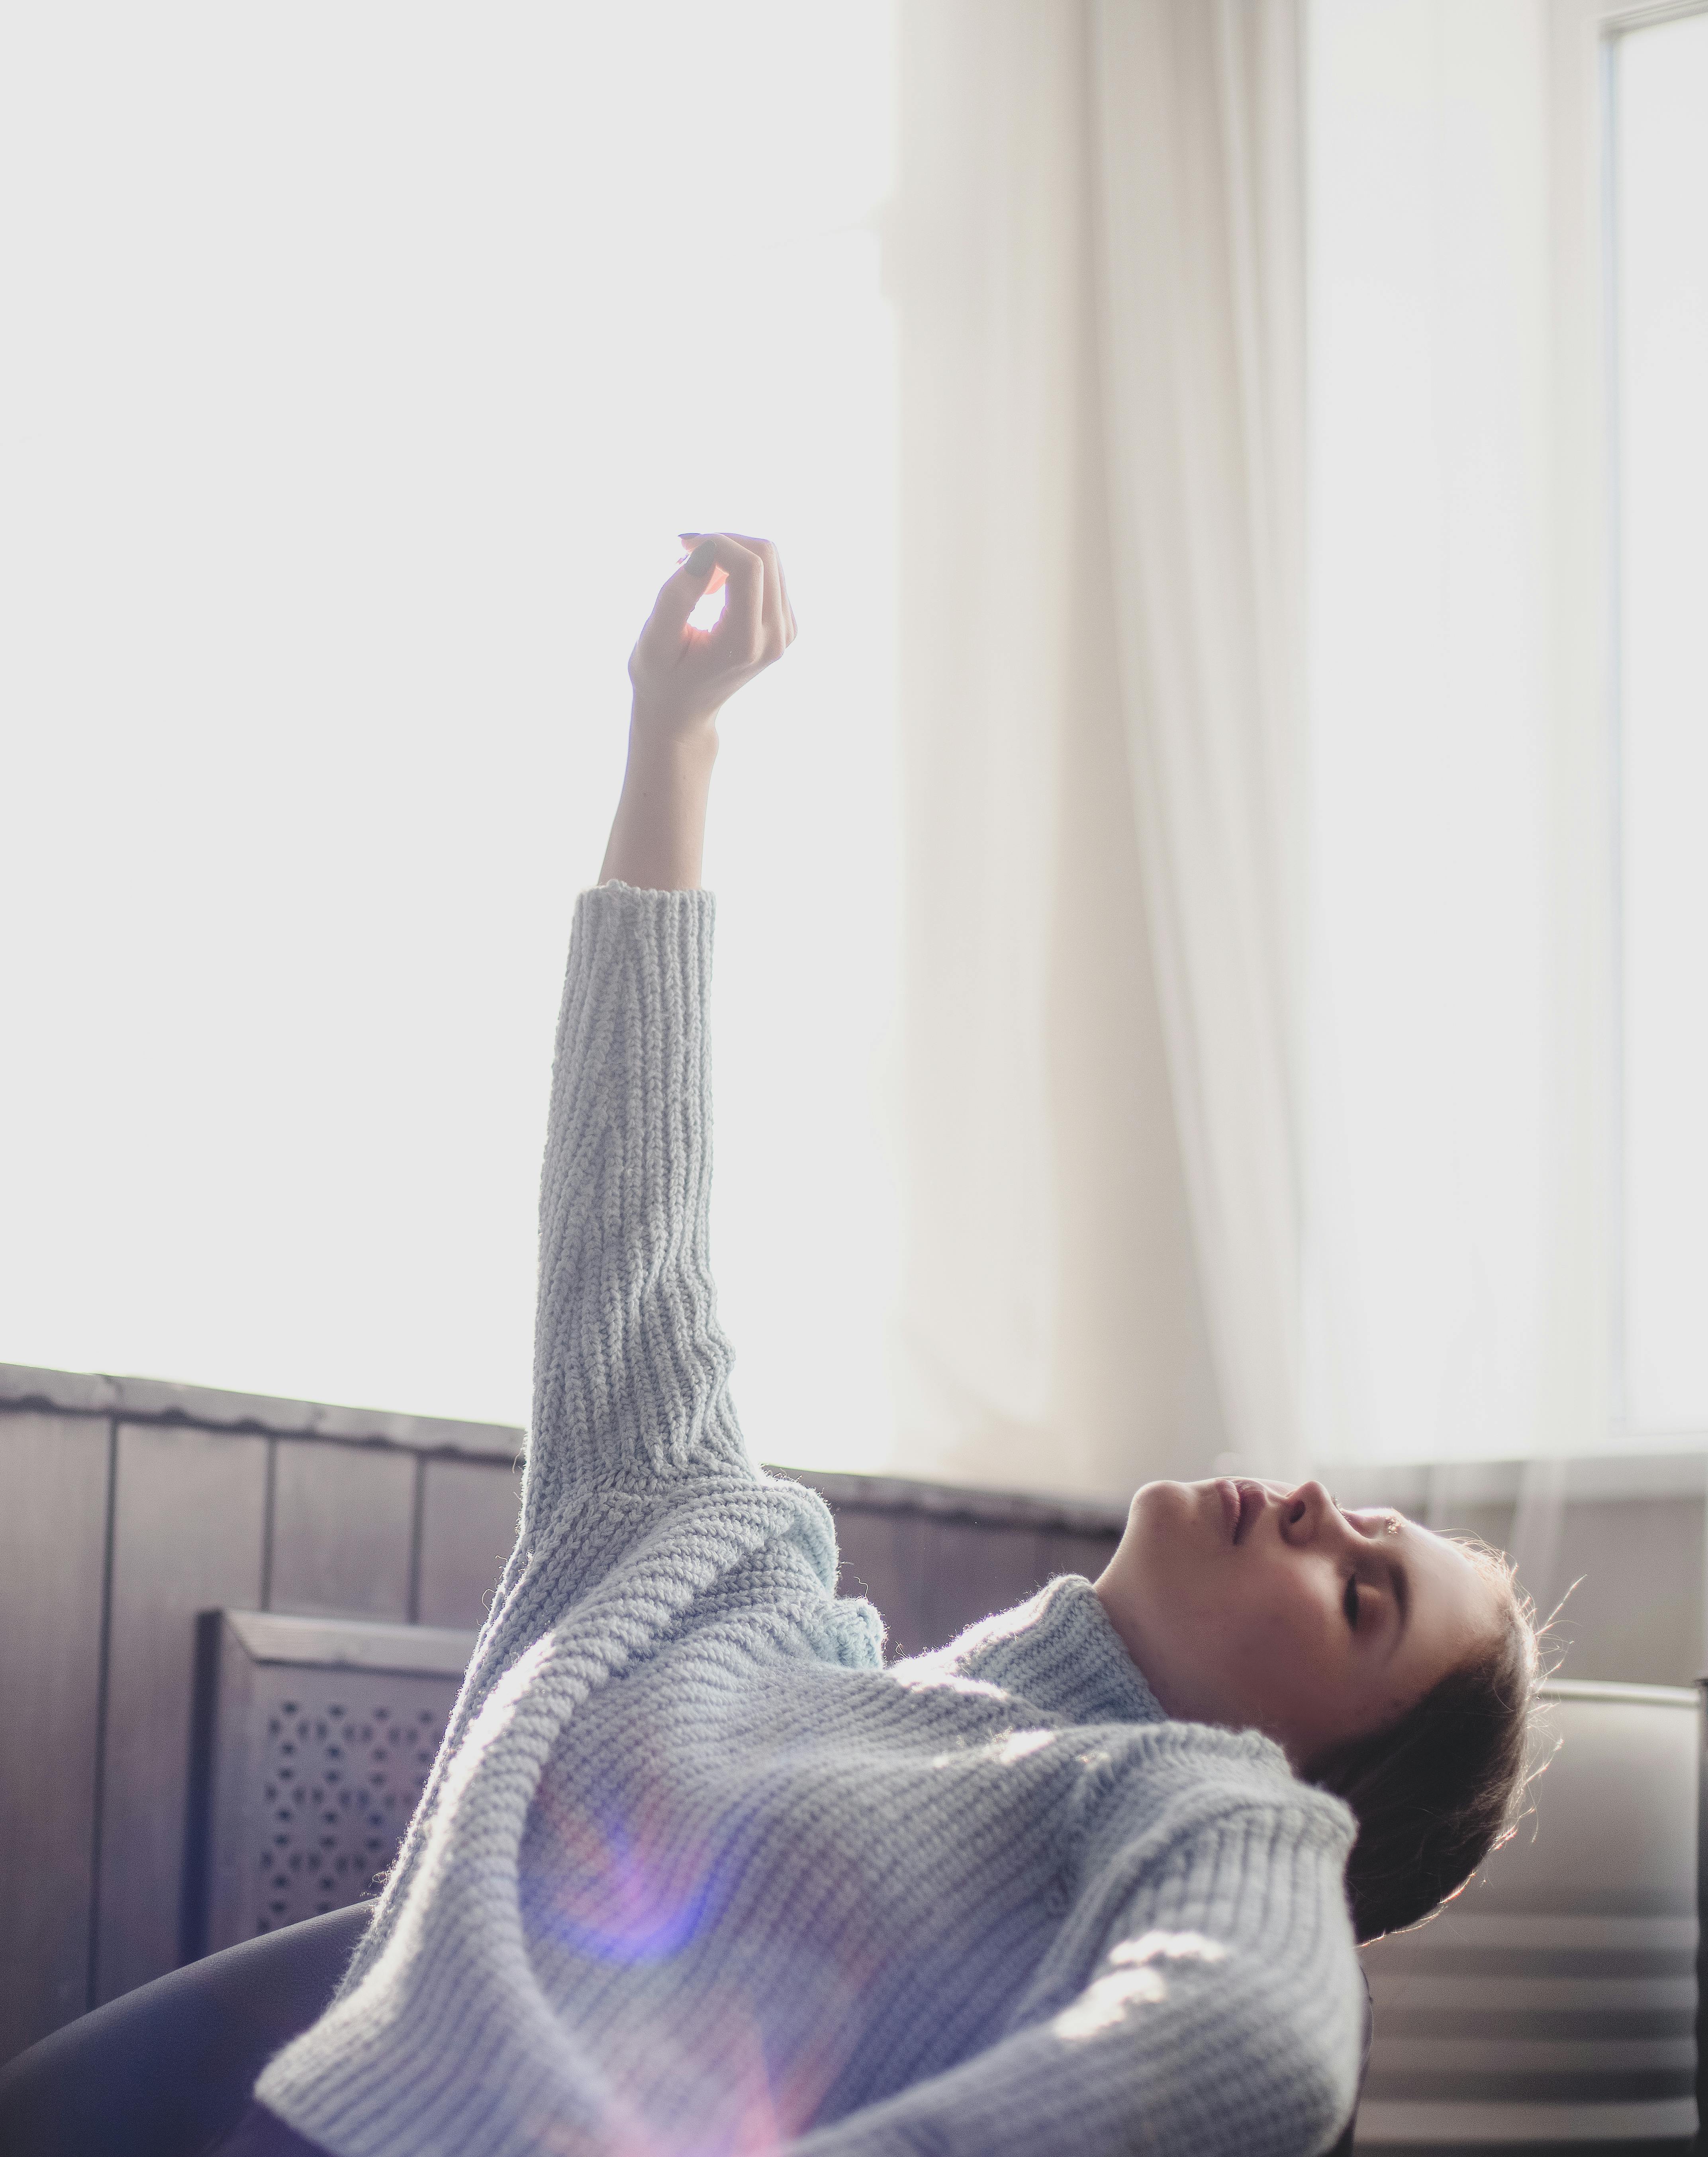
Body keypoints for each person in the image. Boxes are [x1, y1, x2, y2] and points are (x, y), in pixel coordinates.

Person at [209, 532, 1536, 2156]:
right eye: (1367, 1527)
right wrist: (672, 738)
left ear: (1309, 1773)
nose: (1325, 1512)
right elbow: (628, 1204)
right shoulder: (710, 1573)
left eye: (1364, 1599)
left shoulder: (1186, 1809)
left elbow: (1251, 2044)